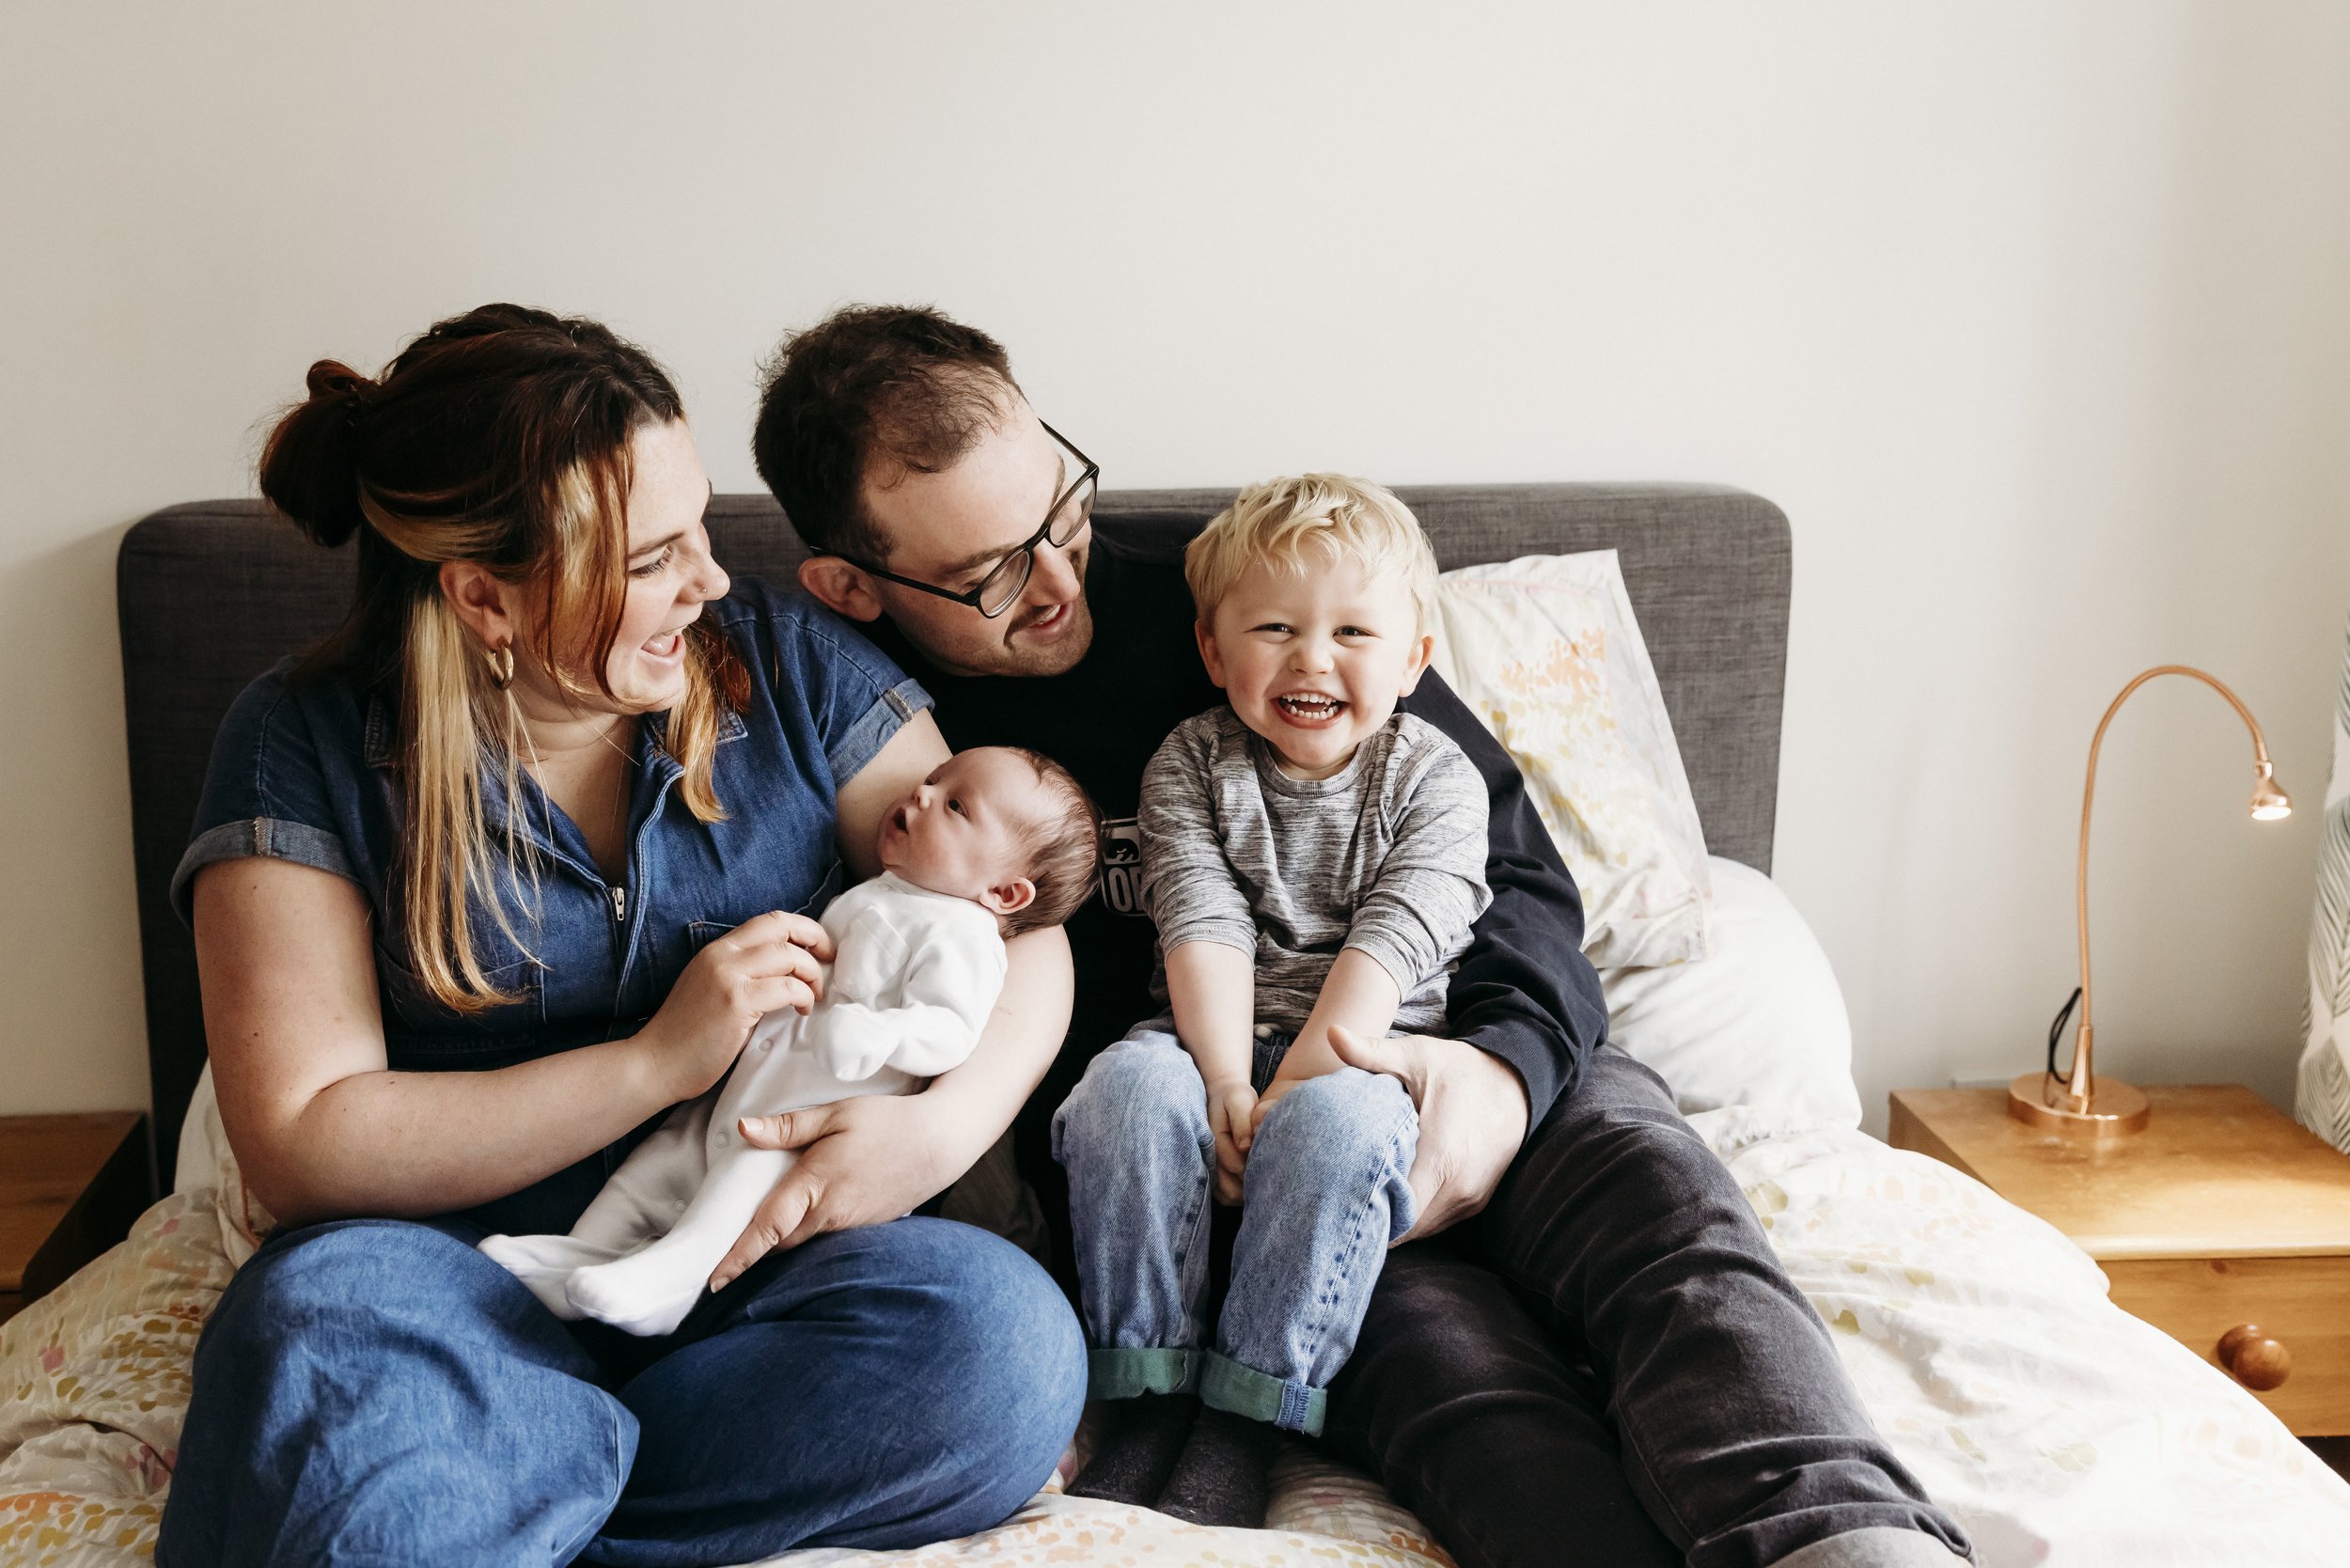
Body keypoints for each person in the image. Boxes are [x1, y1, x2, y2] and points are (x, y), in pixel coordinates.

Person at [754, 304, 1977, 1568]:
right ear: (852, 585)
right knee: (1451, 1375)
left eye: (1060, 509)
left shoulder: (1251, 599)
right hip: (1237, 1147)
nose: (1063, 581)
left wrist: (1501, 1076)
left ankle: (1844, 1539)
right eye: (990, 575)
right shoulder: (855, 727)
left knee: (1667, 1223)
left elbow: (1507, 870)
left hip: (1459, 1038)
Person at [156, 305, 1086, 1568]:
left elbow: (1015, 920)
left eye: (699, 524)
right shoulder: (304, 744)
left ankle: (515, 1486)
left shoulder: (788, 667)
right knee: (327, 1354)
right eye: (654, 558)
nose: (709, 579)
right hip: (445, 1275)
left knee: (1003, 1353)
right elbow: (307, 1142)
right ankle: (508, 1462)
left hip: (740, 1255)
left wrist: (940, 1128)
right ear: (486, 595)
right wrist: (657, 1061)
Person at [1052, 475, 1489, 1526]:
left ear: (1414, 658)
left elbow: (1392, 945)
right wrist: (1224, 1084)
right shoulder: (1193, 763)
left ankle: (1250, 1413)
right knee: (1124, 1090)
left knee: (1336, 1129)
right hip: (1207, 1033)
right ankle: (1146, 1388)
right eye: (1275, 627)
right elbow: (1198, 920)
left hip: (1367, 1048)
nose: (1310, 658)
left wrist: (1287, 1093)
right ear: (1213, 650)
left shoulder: (1435, 778)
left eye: (1352, 631)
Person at [482, 745, 1102, 1338]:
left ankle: (673, 1280)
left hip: (810, 1122)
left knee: (743, 1185)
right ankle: (585, 1258)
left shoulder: (964, 935)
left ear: (1004, 893)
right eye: (935, 778)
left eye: (956, 806)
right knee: (663, 1160)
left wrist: (878, 1032)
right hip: (748, 1084)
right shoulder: (890, 890)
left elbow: (949, 1030)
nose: (922, 789)